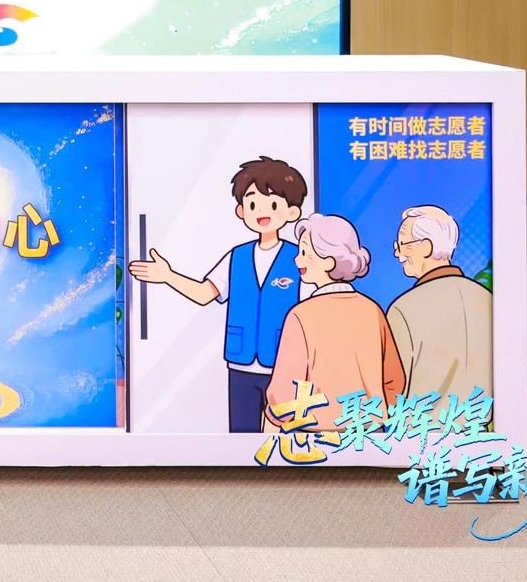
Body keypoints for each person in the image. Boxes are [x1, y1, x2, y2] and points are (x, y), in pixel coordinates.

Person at [127, 156, 308, 432]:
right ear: (241, 210)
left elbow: (311, 309)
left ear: (292, 212)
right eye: (252, 204)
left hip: (284, 362)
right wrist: (168, 276)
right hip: (240, 363)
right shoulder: (237, 257)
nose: (262, 211)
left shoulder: (298, 258)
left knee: (286, 436)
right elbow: (204, 293)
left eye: (273, 204)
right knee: (241, 434)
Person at [265, 214, 405, 431]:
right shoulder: (372, 310)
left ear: (329, 261)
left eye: (305, 253)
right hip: (370, 434)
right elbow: (394, 381)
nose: (297, 260)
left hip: (315, 436)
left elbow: (283, 396)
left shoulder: (300, 315)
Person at [387, 204, 493, 401]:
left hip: (420, 420)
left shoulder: (404, 309)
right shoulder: (486, 298)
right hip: (480, 418)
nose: (397, 253)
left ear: (426, 247)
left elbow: (394, 385)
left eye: (402, 244)